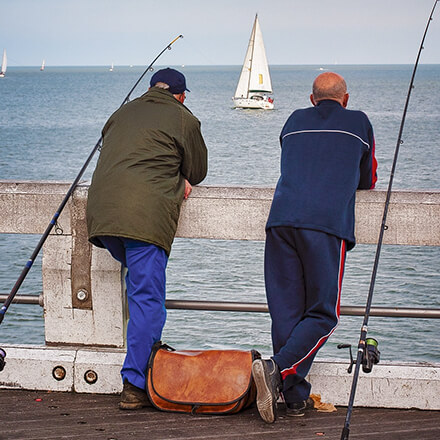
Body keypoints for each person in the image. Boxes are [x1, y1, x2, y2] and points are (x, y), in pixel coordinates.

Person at [252, 72, 377, 423]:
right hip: (324, 225)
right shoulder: (359, 123)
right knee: (323, 313)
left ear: (312, 99)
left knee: (286, 313)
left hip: (281, 220)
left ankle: (293, 398)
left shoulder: (293, 121)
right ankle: (275, 368)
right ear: (346, 99)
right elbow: (367, 179)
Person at [86, 67, 208, 410]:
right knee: (146, 298)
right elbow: (198, 171)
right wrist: (179, 176)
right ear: (181, 96)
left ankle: (148, 356)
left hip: (102, 217)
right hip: (143, 219)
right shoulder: (185, 118)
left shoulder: (121, 112)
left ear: (152, 88)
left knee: (144, 286)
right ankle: (135, 383)